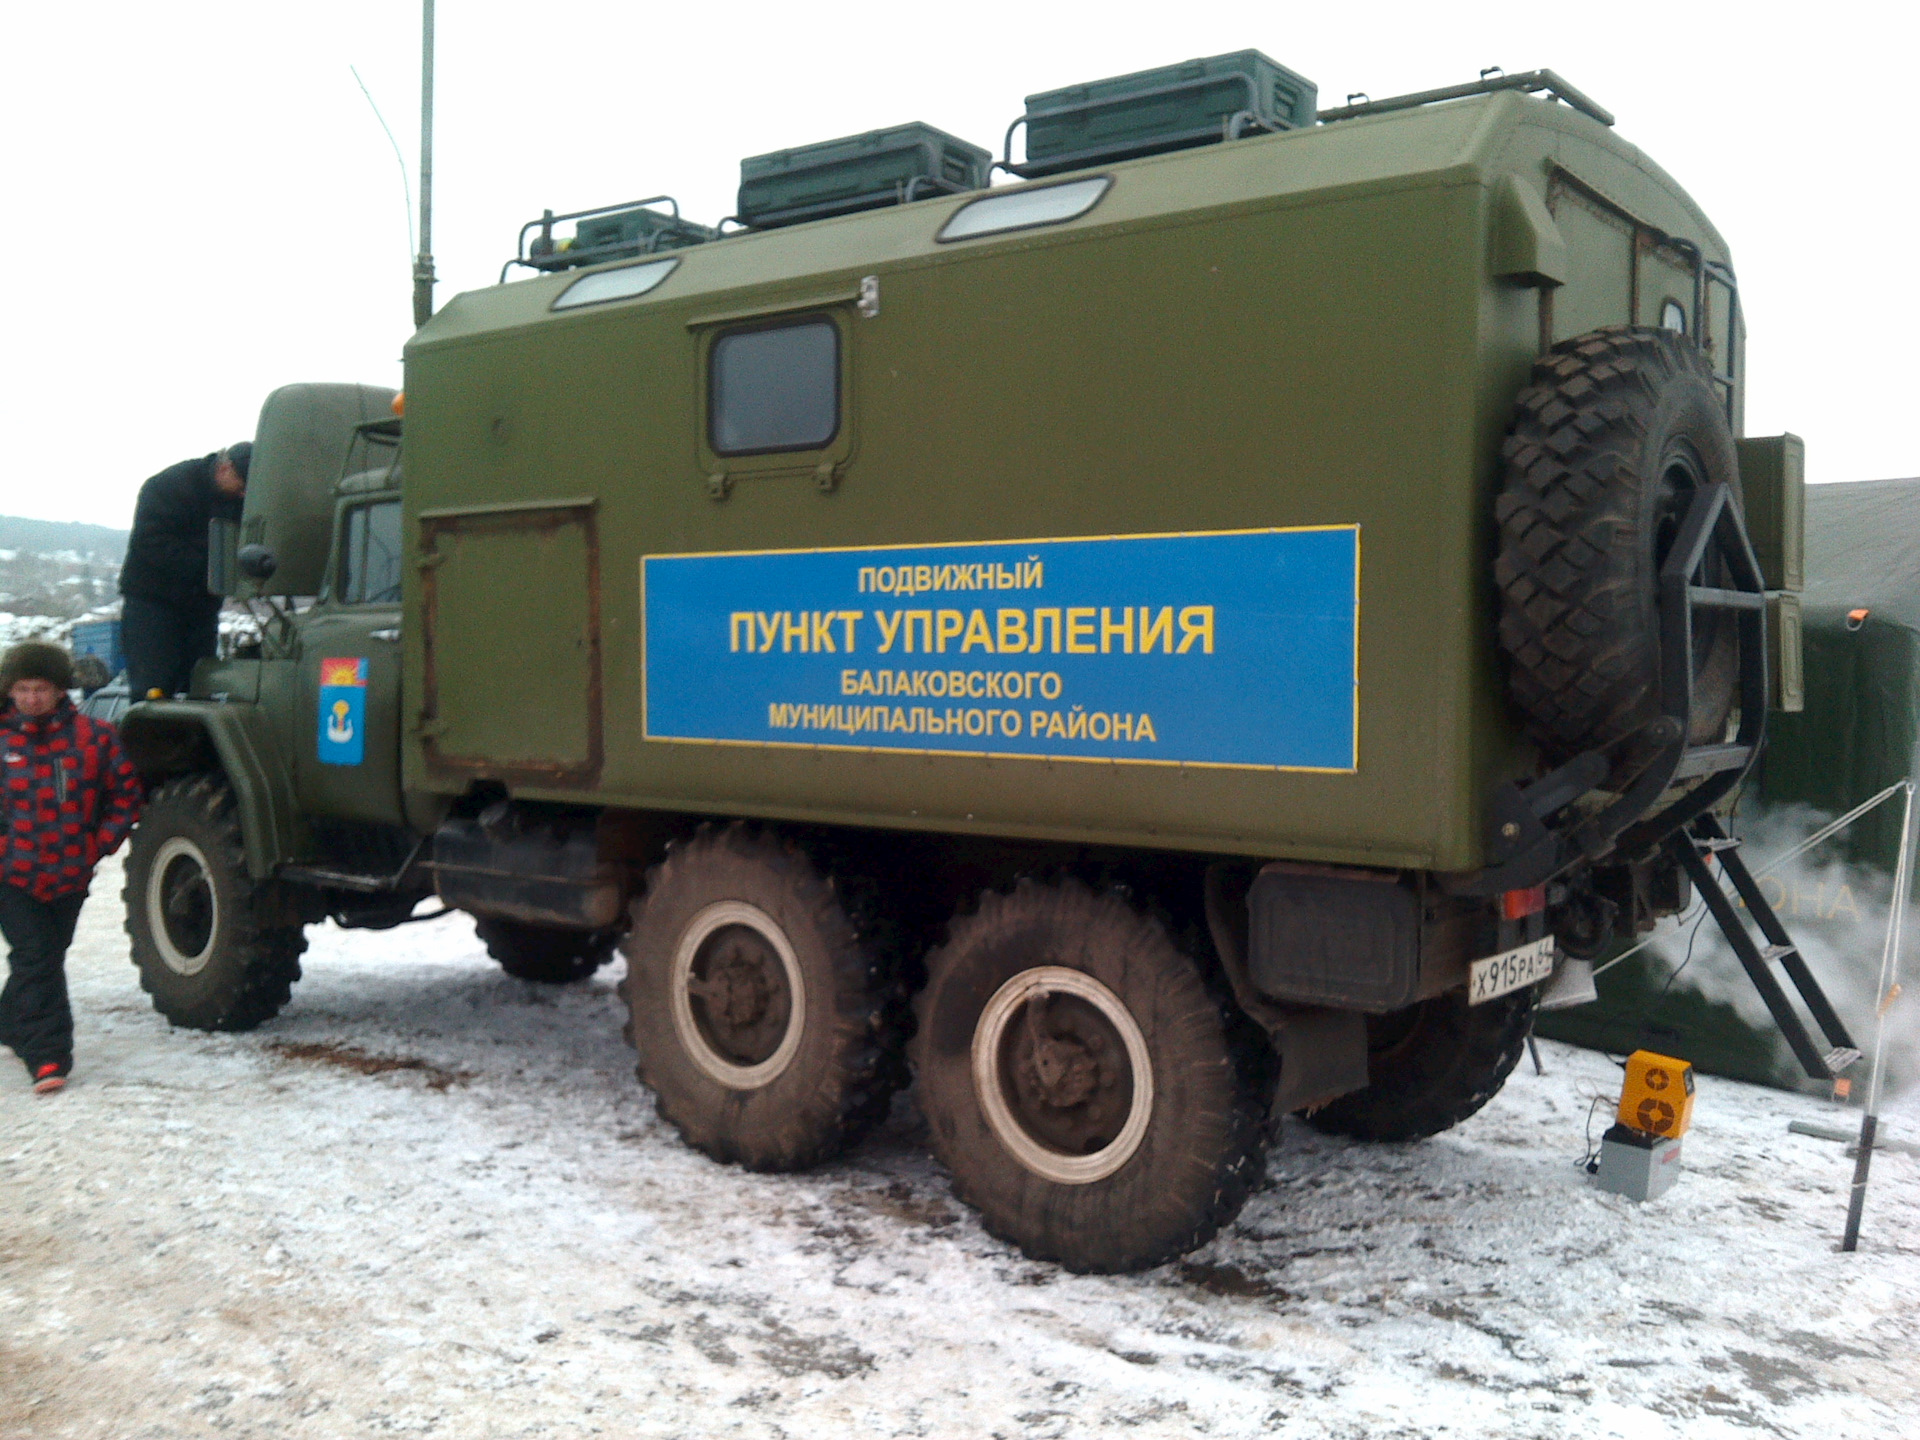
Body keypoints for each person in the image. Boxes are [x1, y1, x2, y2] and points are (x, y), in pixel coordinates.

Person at [0, 642, 143, 1093]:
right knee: (36, 956)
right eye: (22, 689)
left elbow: (125, 797)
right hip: (12, 873)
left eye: (40, 688)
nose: (30, 698)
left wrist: (97, 845)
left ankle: (8, 1020)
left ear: (61, 690)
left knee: (43, 957)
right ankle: (48, 1056)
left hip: (69, 872)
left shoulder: (96, 738)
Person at [119, 442, 250, 700]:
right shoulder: (169, 487)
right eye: (242, 485)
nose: (244, 495)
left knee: (201, 685)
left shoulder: (236, 500)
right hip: (153, 603)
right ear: (225, 469)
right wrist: (211, 567)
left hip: (202, 605)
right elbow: (151, 543)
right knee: (154, 689)